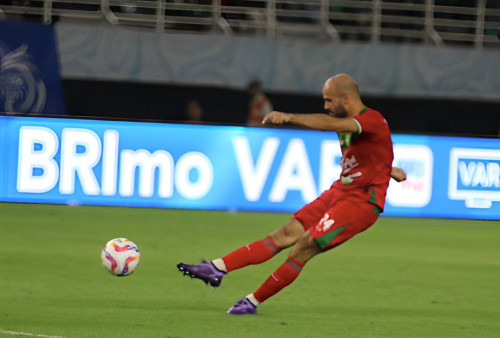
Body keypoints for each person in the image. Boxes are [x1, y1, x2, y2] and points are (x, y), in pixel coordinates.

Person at [178, 74, 406, 315]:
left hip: (362, 203)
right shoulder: (347, 121)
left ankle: (251, 302)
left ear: (346, 99)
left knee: (303, 247)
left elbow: (331, 125)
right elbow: (370, 152)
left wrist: (289, 117)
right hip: (340, 191)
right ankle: (217, 268)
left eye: (329, 101)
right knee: (285, 234)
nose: (326, 106)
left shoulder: (369, 119)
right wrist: (387, 169)